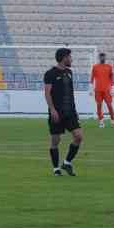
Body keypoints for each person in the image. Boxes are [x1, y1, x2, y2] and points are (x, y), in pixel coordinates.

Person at [43, 47, 83, 175]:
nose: (71, 59)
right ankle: (56, 169)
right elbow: (47, 93)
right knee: (55, 140)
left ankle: (67, 163)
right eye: (69, 57)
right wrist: (52, 110)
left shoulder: (69, 73)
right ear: (64, 58)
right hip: (57, 113)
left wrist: (75, 110)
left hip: (70, 112)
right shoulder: (50, 74)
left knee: (78, 137)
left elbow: (70, 94)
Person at [90, 52, 114, 128]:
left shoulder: (109, 67)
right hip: (98, 90)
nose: (102, 58)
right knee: (99, 105)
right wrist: (91, 88)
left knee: (109, 105)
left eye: (104, 57)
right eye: (101, 57)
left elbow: (111, 78)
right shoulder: (95, 67)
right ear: (99, 58)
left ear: (105, 58)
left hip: (107, 90)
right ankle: (101, 122)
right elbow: (92, 78)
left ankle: (113, 121)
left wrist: (113, 88)